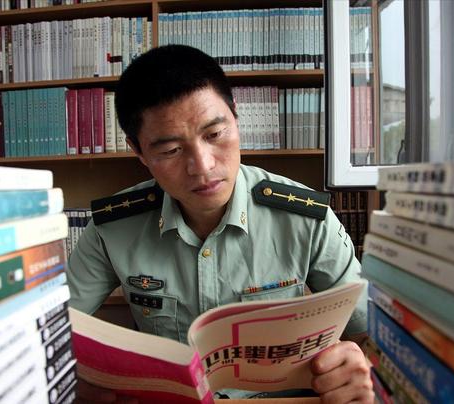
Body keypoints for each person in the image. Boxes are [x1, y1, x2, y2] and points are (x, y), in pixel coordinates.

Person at [67, 44, 373, 403]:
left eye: (214, 135)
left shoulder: (305, 217)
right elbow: (55, 331)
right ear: (139, 151)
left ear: (236, 117)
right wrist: (75, 381)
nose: (203, 165)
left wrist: (362, 366)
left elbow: (370, 334)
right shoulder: (112, 227)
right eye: (170, 151)